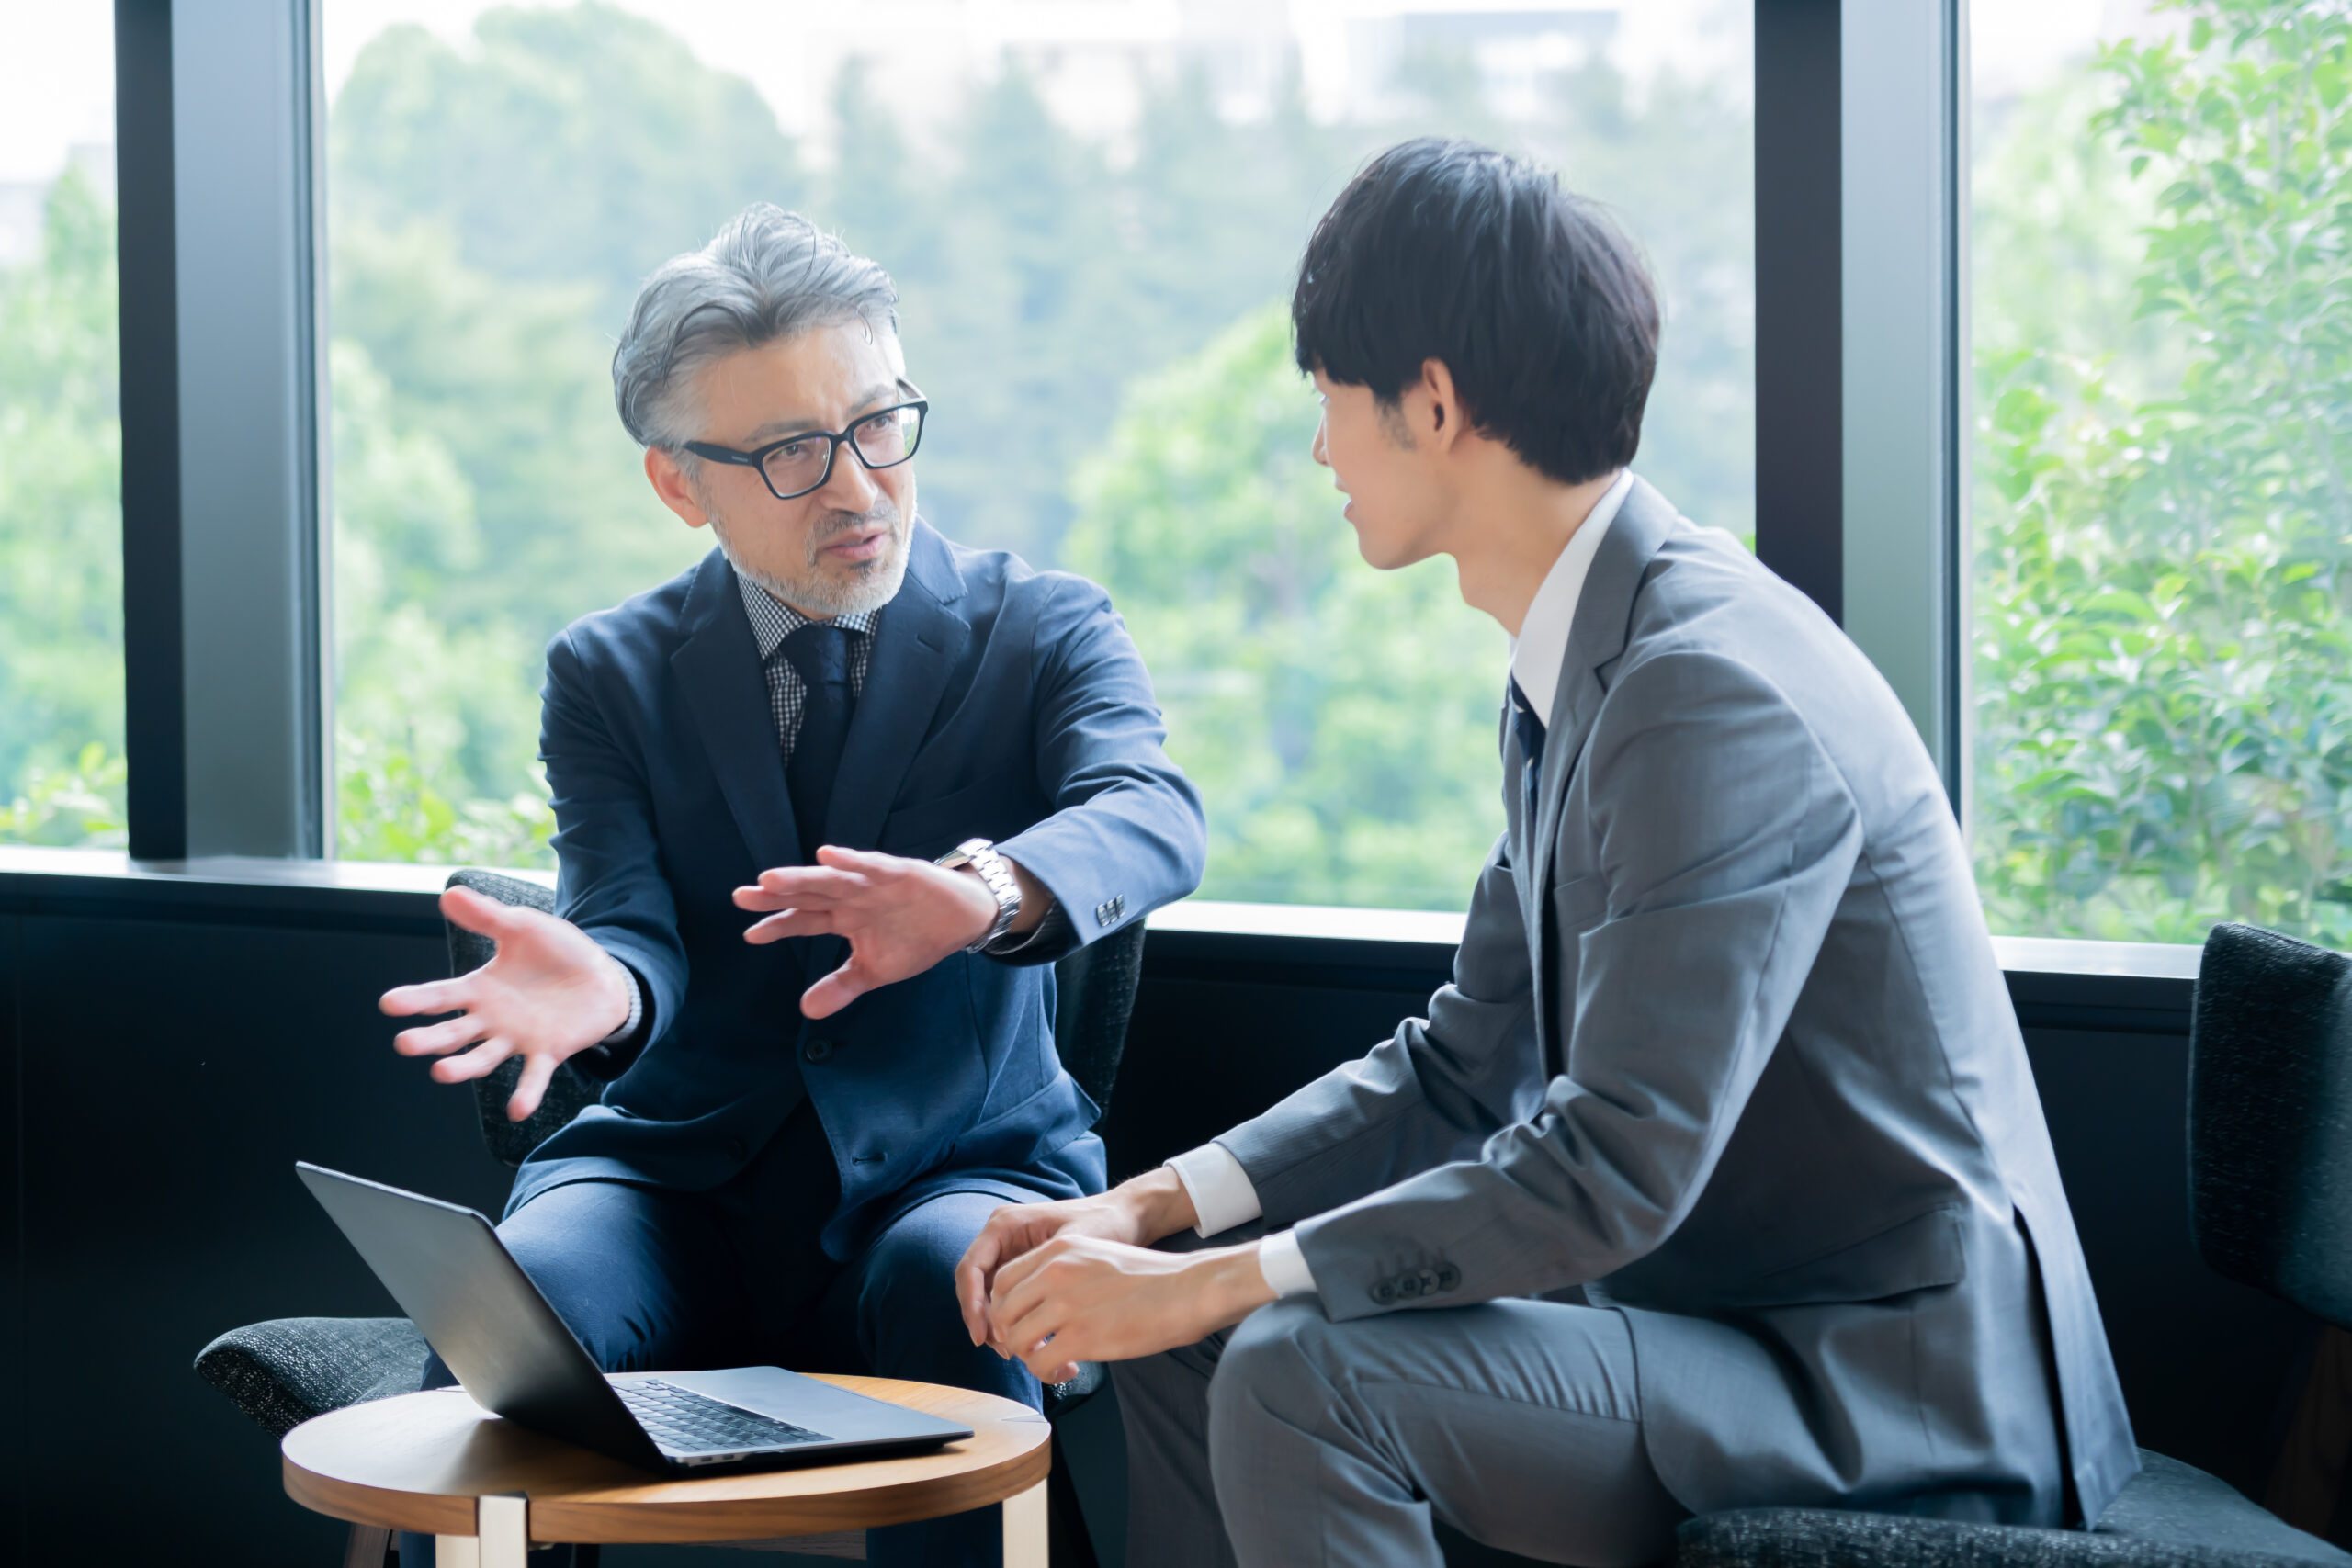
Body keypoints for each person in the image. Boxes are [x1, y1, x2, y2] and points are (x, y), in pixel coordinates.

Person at [956, 138, 2138, 1568]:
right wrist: (1145, 1213)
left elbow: (1611, 1166)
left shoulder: (1709, 689)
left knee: (1293, 1368)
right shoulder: (1588, 657)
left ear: (1434, 405)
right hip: (1729, 1325)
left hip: (1893, 1392)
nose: (1321, 447)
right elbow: (1466, 1064)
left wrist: (1208, 1289)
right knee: (1179, 1333)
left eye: (1330, 397)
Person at [377, 203, 1205, 1568]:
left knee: (965, 1284)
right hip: (676, 1178)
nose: (858, 486)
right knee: (510, 1312)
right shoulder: (610, 671)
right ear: (676, 483)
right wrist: (611, 981)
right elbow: (629, 920)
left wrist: (988, 893)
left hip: (954, 1171)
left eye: (881, 423)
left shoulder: (1045, 627)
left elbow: (1151, 813)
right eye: (789, 452)